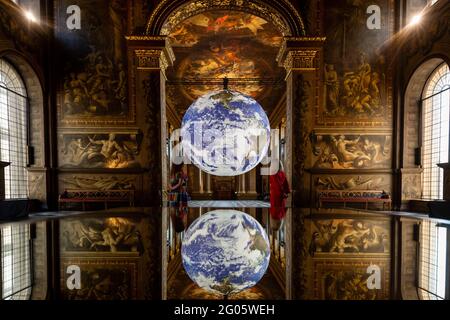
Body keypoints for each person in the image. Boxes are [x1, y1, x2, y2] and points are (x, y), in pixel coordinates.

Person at [168, 163, 189, 233]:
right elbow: (181, 184)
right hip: (177, 193)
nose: (183, 166)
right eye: (182, 165)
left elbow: (180, 184)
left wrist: (171, 187)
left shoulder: (174, 173)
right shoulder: (178, 173)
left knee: (174, 207)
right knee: (175, 207)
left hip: (175, 193)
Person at [269, 162, 290, 231]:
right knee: (279, 205)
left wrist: (284, 193)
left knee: (277, 205)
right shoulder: (282, 173)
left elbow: (276, 185)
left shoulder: (273, 174)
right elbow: (285, 184)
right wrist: (286, 192)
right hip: (279, 196)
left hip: (276, 195)